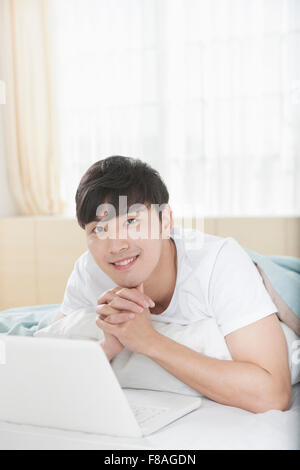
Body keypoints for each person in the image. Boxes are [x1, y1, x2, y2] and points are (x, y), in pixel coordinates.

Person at [54, 155, 291, 413]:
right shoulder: (89, 269)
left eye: (131, 222)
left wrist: (149, 342)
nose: (117, 246)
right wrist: (106, 348)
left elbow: (273, 395)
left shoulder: (219, 263)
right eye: (99, 230)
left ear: (165, 221)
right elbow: (50, 364)